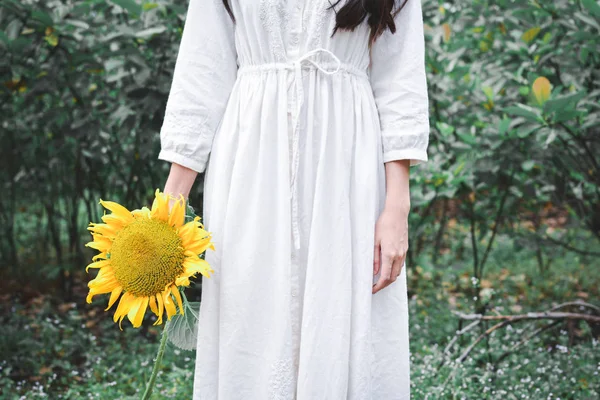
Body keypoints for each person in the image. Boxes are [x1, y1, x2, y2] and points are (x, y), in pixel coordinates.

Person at [159, 0, 429, 398]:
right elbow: (203, 69)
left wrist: (397, 207)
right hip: (252, 159)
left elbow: (399, 81)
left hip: (348, 163)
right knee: (251, 313)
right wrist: (170, 206)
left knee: (342, 315)